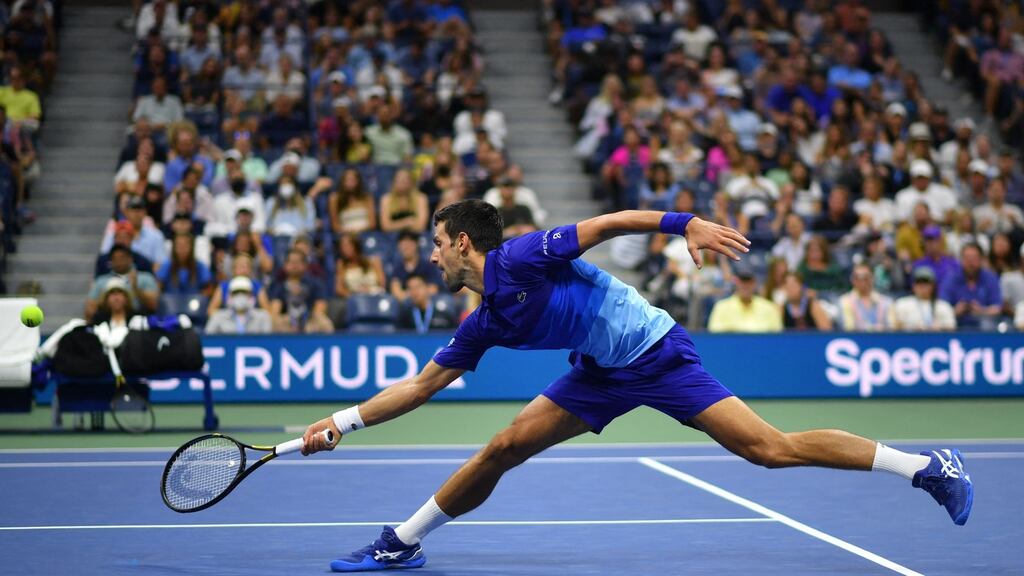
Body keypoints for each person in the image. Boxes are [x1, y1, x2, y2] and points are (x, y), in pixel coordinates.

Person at [301, 201, 972, 572]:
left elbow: (609, 224)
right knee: (504, 446)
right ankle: (404, 542)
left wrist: (687, 225)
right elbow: (420, 388)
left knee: (768, 449)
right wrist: (342, 422)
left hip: (657, 354)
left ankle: (927, 466)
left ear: (467, 244)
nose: (431, 253)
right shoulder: (483, 322)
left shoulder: (525, 255)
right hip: (599, 375)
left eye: (438, 242)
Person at [85, 244, 160, 321]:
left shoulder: (145, 278)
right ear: (110, 261)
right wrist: (105, 298)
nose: (119, 261)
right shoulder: (101, 281)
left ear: (130, 259)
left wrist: (136, 288)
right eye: (115, 258)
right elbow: (90, 308)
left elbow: (153, 305)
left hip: (139, 320)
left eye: (122, 257)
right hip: (107, 319)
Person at [268, 248, 333, 334]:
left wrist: (306, 322)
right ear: (285, 265)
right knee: (274, 323)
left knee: (324, 322)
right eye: (291, 262)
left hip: (309, 318)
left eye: (298, 262)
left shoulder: (315, 283)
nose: (294, 265)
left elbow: (320, 306)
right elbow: (275, 310)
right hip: (288, 320)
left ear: (305, 265)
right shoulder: (279, 285)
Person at [939, 243, 1002, 330]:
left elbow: (997, 308)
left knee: (989, 324)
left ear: (981, 260)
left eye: (974, 258)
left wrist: (981, 311)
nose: (970, 262)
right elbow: (940, 308)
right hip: (957, 322)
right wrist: (955, 311)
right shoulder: (951, 279)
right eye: (967, 258)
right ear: (961, 260)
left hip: (983, 323)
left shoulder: (990, 278)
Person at [707, 268, 783, 333]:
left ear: (754, 283)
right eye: (742, 281)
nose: (745, 285)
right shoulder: (721, 307)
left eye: (749, 281)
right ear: (736, 283)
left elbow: (777, 336)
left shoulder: (769, 308)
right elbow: (715, 335)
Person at [892, 267, 956, 331]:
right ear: (913, 285)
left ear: (933, 286)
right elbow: (894, 327)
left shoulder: (943, 306)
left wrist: (941, 328)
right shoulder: (901, 304)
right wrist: (910, 328)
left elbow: (951, 328)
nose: (922, 286)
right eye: (919, 282)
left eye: (926, 282)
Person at [205, 276, 273, 334]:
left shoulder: (263, 317)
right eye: (236, 293)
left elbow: (268, 341)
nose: (240, 295)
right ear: (229, 296)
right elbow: (207, 341)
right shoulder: (218, 317)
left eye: (244, 292)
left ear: (251, 296)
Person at [837, 264, 894, 331]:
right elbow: (848, 328)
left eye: (866, 277)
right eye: (857, 277)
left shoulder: (887, 302)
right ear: (852, 280)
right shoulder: (844, 301)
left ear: (873, 278)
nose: (862, 281)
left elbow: (892, 328)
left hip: (883, 340)